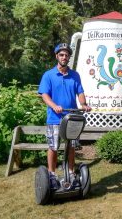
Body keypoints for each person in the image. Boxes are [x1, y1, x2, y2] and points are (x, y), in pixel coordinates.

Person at [38, 43, 92, 189]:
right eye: (61, 55)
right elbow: (44, 95)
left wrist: (84, 104)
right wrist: (54, 105)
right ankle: (52, 174)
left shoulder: (75, 75)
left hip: (72, 118)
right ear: (57, 56)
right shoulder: (48, 75)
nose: (64, 57)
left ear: (69, 57)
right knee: (53, 147)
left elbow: (79, 92)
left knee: (71, 147)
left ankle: (71, 172)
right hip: (55, 118)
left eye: (66, 55)